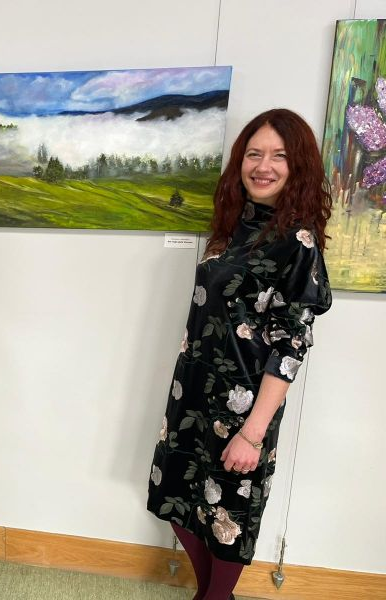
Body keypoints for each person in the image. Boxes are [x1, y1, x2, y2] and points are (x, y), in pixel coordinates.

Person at [147, 109, 333, 600]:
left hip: (243, 408)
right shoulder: (231, 227)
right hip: (192, 394)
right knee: (177, 497)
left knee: (228, 514)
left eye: (279, 156)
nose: (263, 166)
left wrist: (253, 434)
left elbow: (291, 348)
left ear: (298, 167)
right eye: (254, 154)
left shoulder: (298, 243)